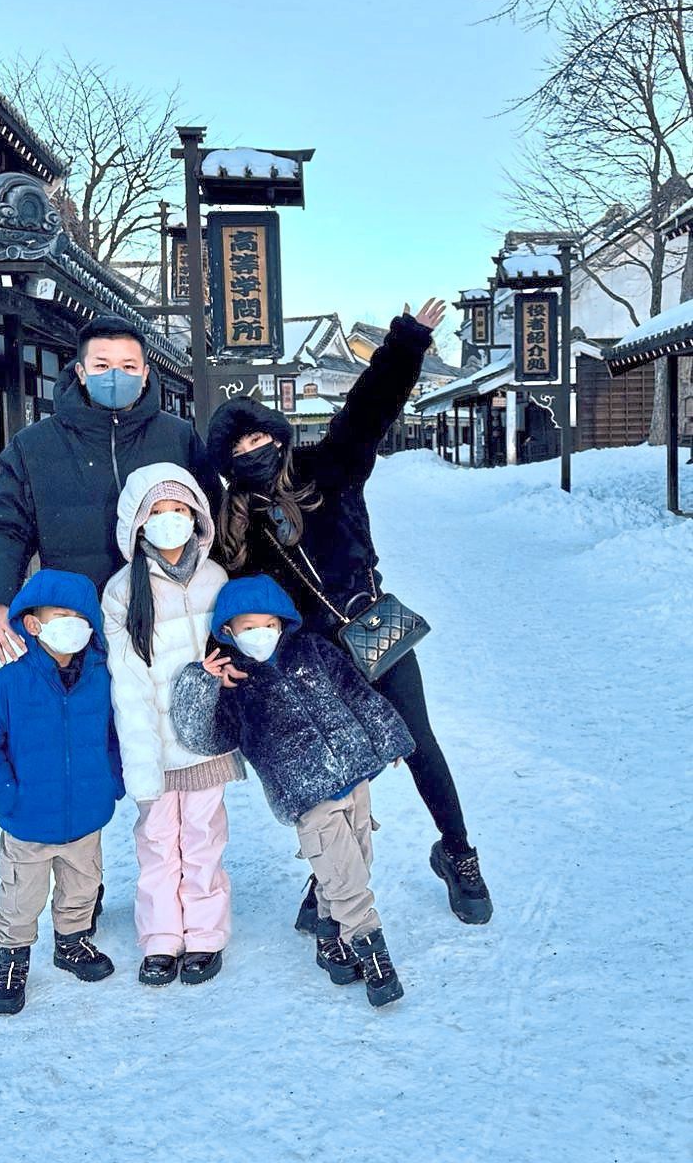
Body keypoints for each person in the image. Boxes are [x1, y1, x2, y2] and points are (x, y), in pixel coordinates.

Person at [205, 301, 493, 928]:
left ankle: (459, 853)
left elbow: (371, 405)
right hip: (311, 655)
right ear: (226, 464)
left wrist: (408, 341)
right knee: (335, 770)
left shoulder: (327, 467)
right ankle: (327, 882)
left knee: (418, 742)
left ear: (278, 433)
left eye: (259, 435)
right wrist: (225, 655)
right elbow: (231, 606)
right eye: (239, 446)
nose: (253, 449)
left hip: (372, 624)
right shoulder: (234, 527)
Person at [172, 575, 416, 1010]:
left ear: (283, 623)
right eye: (248, 628)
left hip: (355, 773)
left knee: (356, 859)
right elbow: (202, 737)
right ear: (227, 632)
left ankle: (329, 934)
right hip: (306, 796)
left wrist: (389, 735)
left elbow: (357, 694)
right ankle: (372, 951)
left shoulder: (315, 653)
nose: (260, 634)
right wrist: (201, 682)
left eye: (268, 624)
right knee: (346, 876)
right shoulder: (238, 686)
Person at [0, 314, 220, 664]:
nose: (115, 375)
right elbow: (1, 527)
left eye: (129, 366)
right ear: (81, 373)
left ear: (146, 374)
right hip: (75, 620)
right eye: (102, 364)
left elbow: (212, 522)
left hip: (166, 621)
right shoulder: (35, 446)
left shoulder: (177, 437)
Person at [101, 464, 245, 988]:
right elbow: (126, 681)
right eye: (157, 513)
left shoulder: (216, 578)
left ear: (196, 517)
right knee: (159, 841)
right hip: (156, 743)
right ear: (138, 523)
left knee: (203, 838)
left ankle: (205, 934)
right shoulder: (122, 590)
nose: (168, 522)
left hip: (204, 738)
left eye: (178, 511)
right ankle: (161, 937)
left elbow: (231, 650)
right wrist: (143, 757)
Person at [0, 568, 123, 1016]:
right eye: (63, 614)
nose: (75, 624)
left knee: (82, 888)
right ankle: (13, 959)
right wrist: (8, 797)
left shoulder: (102, 681)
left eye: (83, 617)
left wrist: (112, 781)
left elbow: (116, 736)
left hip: (86, 818)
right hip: (28, 823)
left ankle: (71, 942)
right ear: (33, 623)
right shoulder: (7, 686)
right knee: (19, 897)